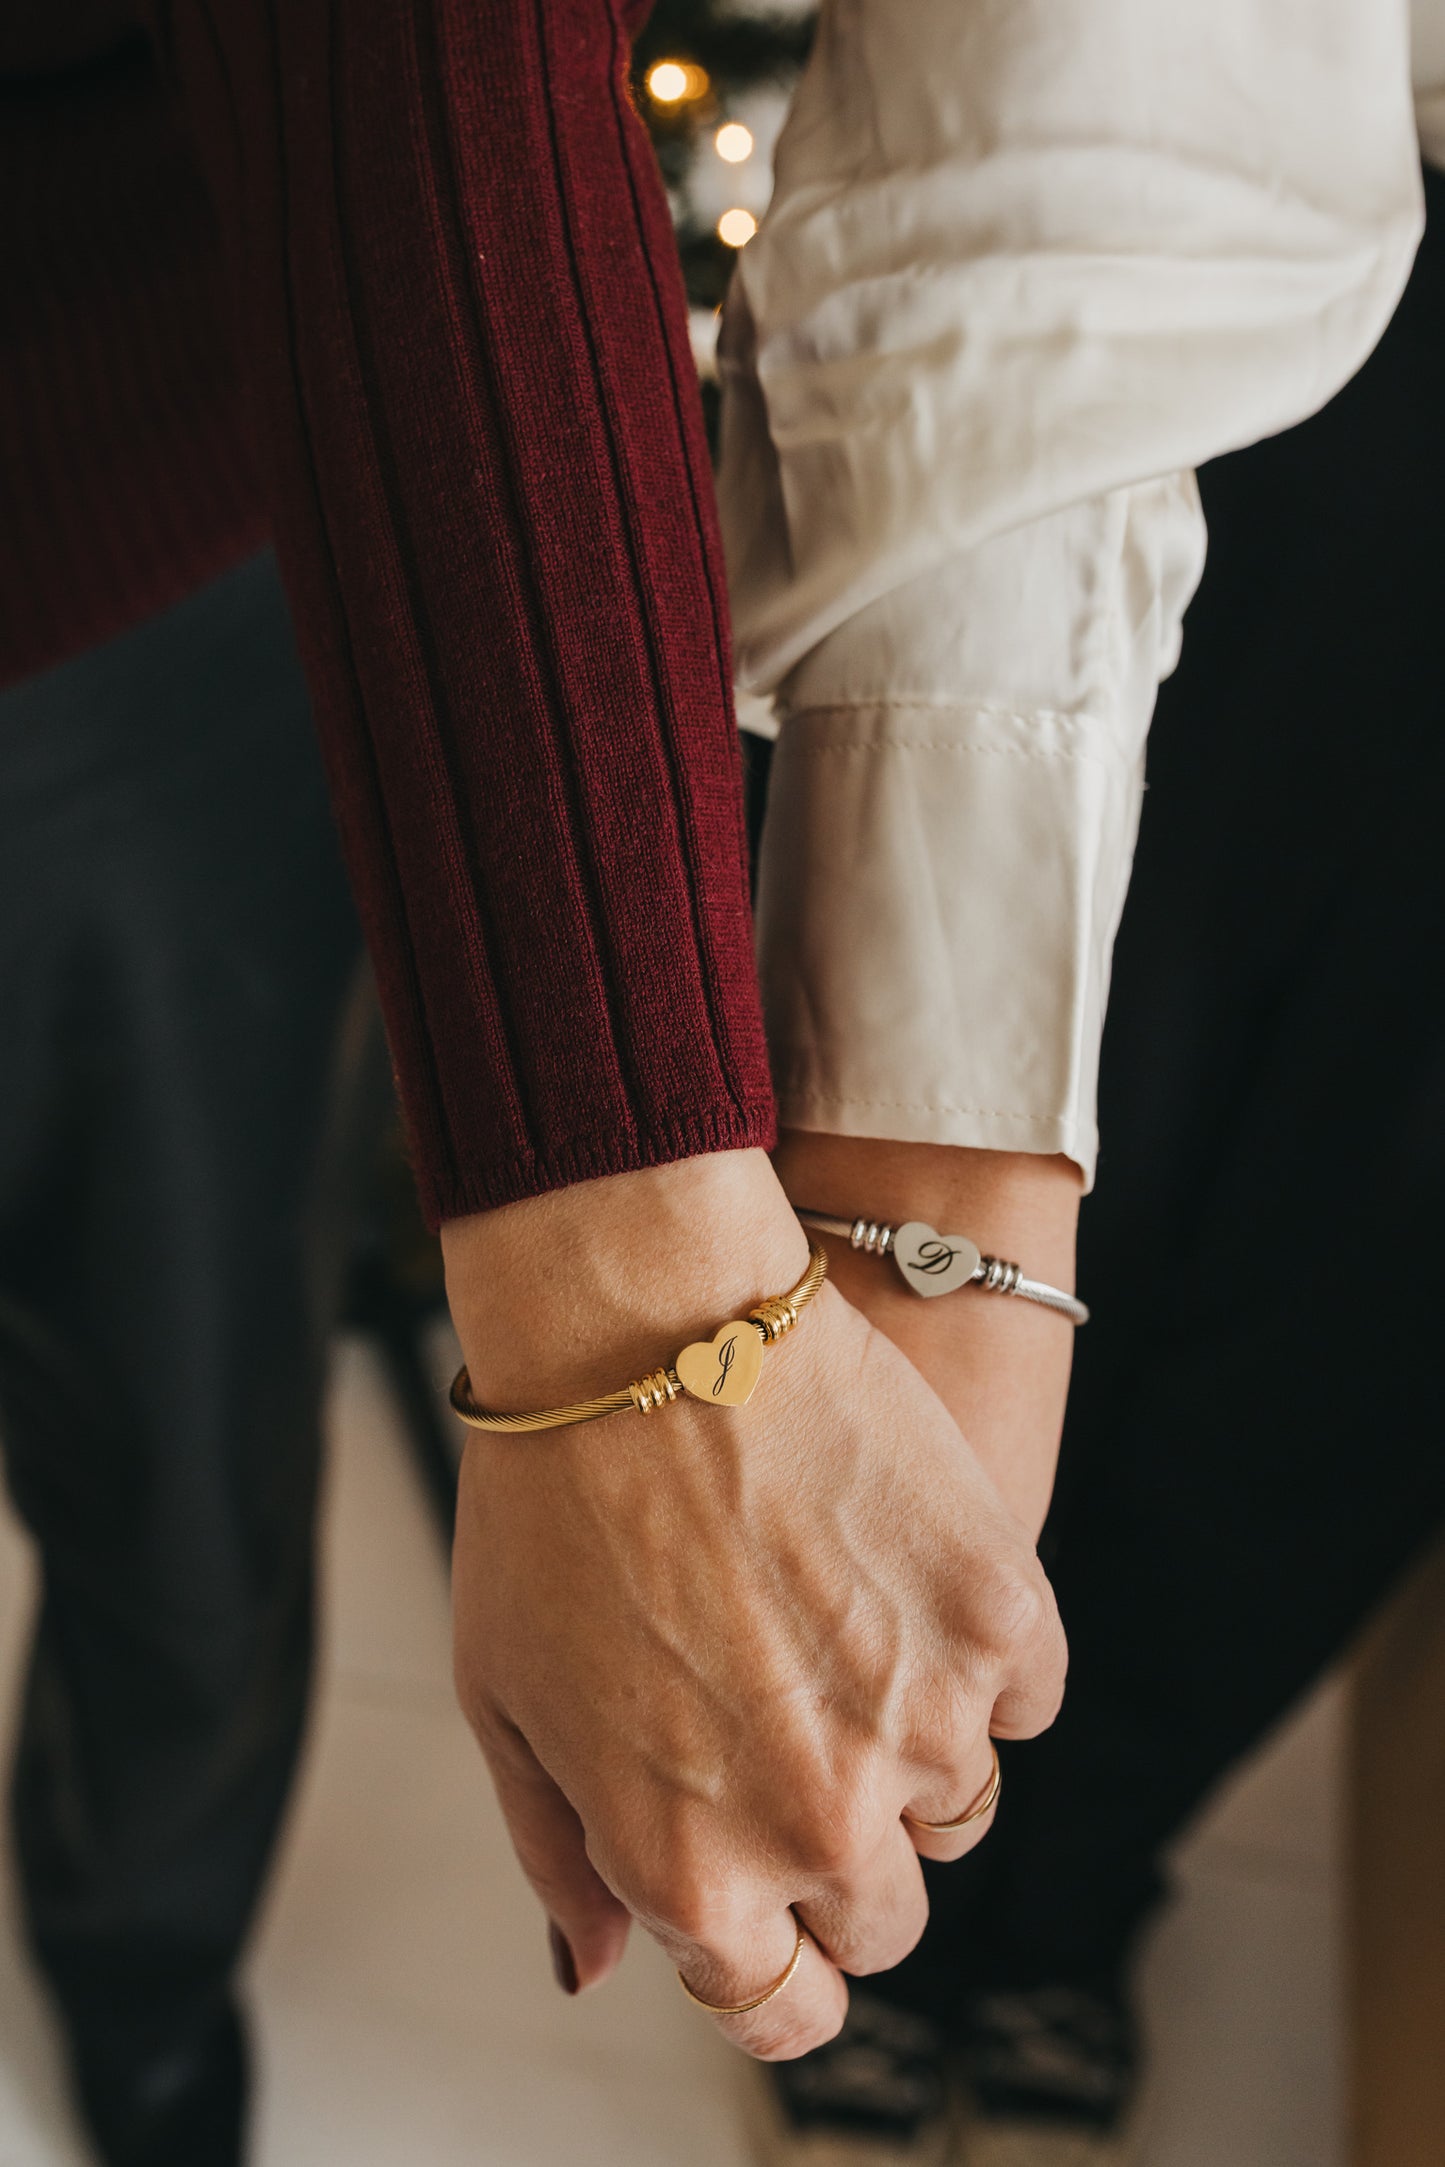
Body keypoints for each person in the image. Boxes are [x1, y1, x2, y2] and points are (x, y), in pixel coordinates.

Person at [2, 4, 1437, 2166]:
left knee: (183, 1475)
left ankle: (142, 1999)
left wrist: (912, 1156)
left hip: (126, 528)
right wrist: (635, 1254)